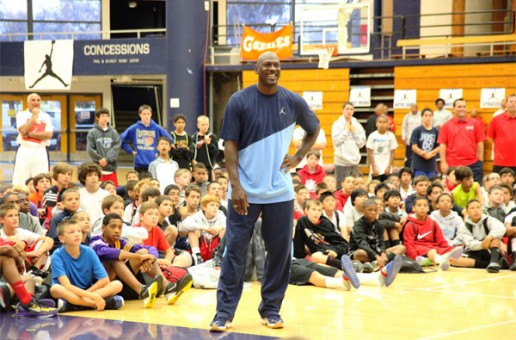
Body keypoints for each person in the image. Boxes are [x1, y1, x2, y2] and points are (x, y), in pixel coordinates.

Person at [211, 52, 320, 332]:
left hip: (280, 193)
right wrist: (235, 186)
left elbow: (314, 128)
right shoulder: (240, 101)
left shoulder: (292, 100)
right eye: (267, 65)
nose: (273, 68)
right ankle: (223, 313)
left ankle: (271, 309)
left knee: (280, 253)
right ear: (256, 69)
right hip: (244, 191)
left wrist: (299, 156)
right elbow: (230, 145)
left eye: (277, 65)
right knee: (234, 252)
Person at [49, 220, 124, 312]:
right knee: (55, 289)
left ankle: (74, 304)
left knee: (117, 284)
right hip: (69, 291)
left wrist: (86, 294)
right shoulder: (57, 255)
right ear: (61, 239)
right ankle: (97, 304)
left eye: (79, 231)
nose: (77, 234)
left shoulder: (89, 251)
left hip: (88, 290)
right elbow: (67, 286)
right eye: (72, 232)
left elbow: (104, 280)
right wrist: (93, 297)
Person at [402, 197, 463, 270]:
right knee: (432, 251)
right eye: (419, 205)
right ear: (413, 209)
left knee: (451, 250)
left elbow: (441, 240)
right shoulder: (410, 224)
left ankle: (440, 260)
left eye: (425, 205)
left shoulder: (433, 222)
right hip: (417, 248)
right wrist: (414, 257)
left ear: (428, 208)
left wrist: (446, 249)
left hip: (431, 247)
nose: (422, 208)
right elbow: (408, 244)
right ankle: (440, 260)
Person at [0, 240, 57, 317]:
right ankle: (27, 303)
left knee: (28, 279)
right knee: (5, 259)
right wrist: (19, 260)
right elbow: (8, 249)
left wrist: (22, 243)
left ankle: (26, 303)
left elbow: (11, 246)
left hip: (3, 291)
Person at [438, 98, 485, 183]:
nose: (462, 109)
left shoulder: (475, 123)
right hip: (453, 164)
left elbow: (480, 142)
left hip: (473, 164)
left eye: (464, 106)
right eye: (459, 106)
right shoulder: (446, 125)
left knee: (475, 190)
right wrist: (443, 162)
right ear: (454, 109)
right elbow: (442, 145)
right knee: (453, 191)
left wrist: (480, 161)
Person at [454, 200, 506, 273]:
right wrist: (483, 244)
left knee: (495, 240)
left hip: (489, 251)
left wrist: (489, 237)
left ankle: (494, 262)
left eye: (478, 207)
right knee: (455, 261)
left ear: (481, 209)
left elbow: (501, 228)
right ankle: (497, 264)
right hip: (474, 251)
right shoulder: (464, 226)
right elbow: (470, 244)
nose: (476, 210)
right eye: (472, 208)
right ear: (467, 212)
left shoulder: (489, 219)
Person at [12, 93, 53, 186]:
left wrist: (29, 134)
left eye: (38, 100)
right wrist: (33, 117)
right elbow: (22, 130)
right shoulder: (21, 115)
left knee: (41, 178)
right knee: (21, 178)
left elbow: (48, 134)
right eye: (33, 100)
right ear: (28, 103)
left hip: (40, 150)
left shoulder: (46, 116)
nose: (36, 102)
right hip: (25, 150)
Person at [120, 104, 173, 175]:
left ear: (151, 114)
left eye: (148, 114)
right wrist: (131, 151)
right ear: (140, 114)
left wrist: (159, 151)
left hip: (154, 163)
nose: (146, 116)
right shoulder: (134, 128)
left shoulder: (157, 128)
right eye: (144, 114)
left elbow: (170, 140)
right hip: (139, 163)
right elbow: (121, 140)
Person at [331, 102, 366, 187]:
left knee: (354, 187)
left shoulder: (357, 125)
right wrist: (346, 131)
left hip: (354, 162)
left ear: (353, 111)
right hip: (341, 162)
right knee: (340, 187)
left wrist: (354, 132)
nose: (349, 111)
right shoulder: (337, 124)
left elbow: (361, 144)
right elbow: (336, 141)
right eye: (347, 109)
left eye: (351, 109)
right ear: (343, 110)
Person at [86, 108, 121, 186]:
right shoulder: (92, 132)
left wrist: (107, 159)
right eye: (102, 116)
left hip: (111, 168)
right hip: (98, 169)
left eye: (106, 116)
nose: (105, 118)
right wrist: (100, 159)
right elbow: (90, 149)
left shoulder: (113, 132)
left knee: (112, 192)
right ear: (97, 118)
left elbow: (117, 147)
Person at [487, 93, 516, 174]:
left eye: (515, 101)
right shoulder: (496, 119)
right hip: (501, 162)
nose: (513, 103)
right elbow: (490, 137)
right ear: (506, 104)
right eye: (511, 101)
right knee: (498, 186)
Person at [366, 114, 398, 182]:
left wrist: (389, 166)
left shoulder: (391, 136)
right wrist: (374, 167)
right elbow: (369, 152)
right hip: (375, 168)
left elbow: (392, 152)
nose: (382, 124)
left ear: (387, 124)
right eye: (380, 122)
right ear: (376, 124)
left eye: (384, 122)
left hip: (387, 168)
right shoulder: (372, 136)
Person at [410, 108, 439, 178]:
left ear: (432, 117)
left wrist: (430, 154)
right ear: (422, 117)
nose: (428, 117)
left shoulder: (436, 131)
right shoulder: (417, 130)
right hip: (418, 164)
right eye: (426, 115)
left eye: (430, 115)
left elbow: (439, 146)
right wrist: (423, 154)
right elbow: (414, 147)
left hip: (431, 165)